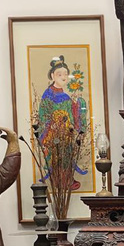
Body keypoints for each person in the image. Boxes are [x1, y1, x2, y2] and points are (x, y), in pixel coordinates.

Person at [37, 55, 87, 189]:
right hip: (53, 132)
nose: (63, 77)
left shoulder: (65, 95)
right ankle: (59, 180)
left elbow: (72, 113)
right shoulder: (48, 95)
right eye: (59, 74)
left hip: (66, 132)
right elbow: (43, 115)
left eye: (65, 74)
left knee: (66, 155)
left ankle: (67, 179)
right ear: (52, 76)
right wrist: (52, 125)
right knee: (57, 157)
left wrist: (77, 104)